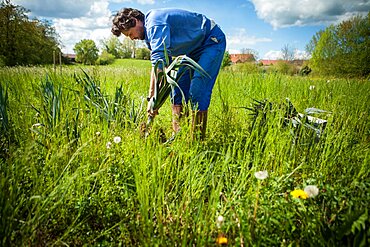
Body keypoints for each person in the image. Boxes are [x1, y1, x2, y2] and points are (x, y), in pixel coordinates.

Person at [111, 8, 226, 140]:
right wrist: (154, 99)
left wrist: (153, 98)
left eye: (130, 34)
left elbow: (159, 66)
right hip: (191, 50)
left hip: (210, 40)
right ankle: (178, 136)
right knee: (176, 89)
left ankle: (196, 141)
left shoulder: (155, 23)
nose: (132, 38)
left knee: (198, 90)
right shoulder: (149, 37)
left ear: (135, 21)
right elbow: (163, 66)